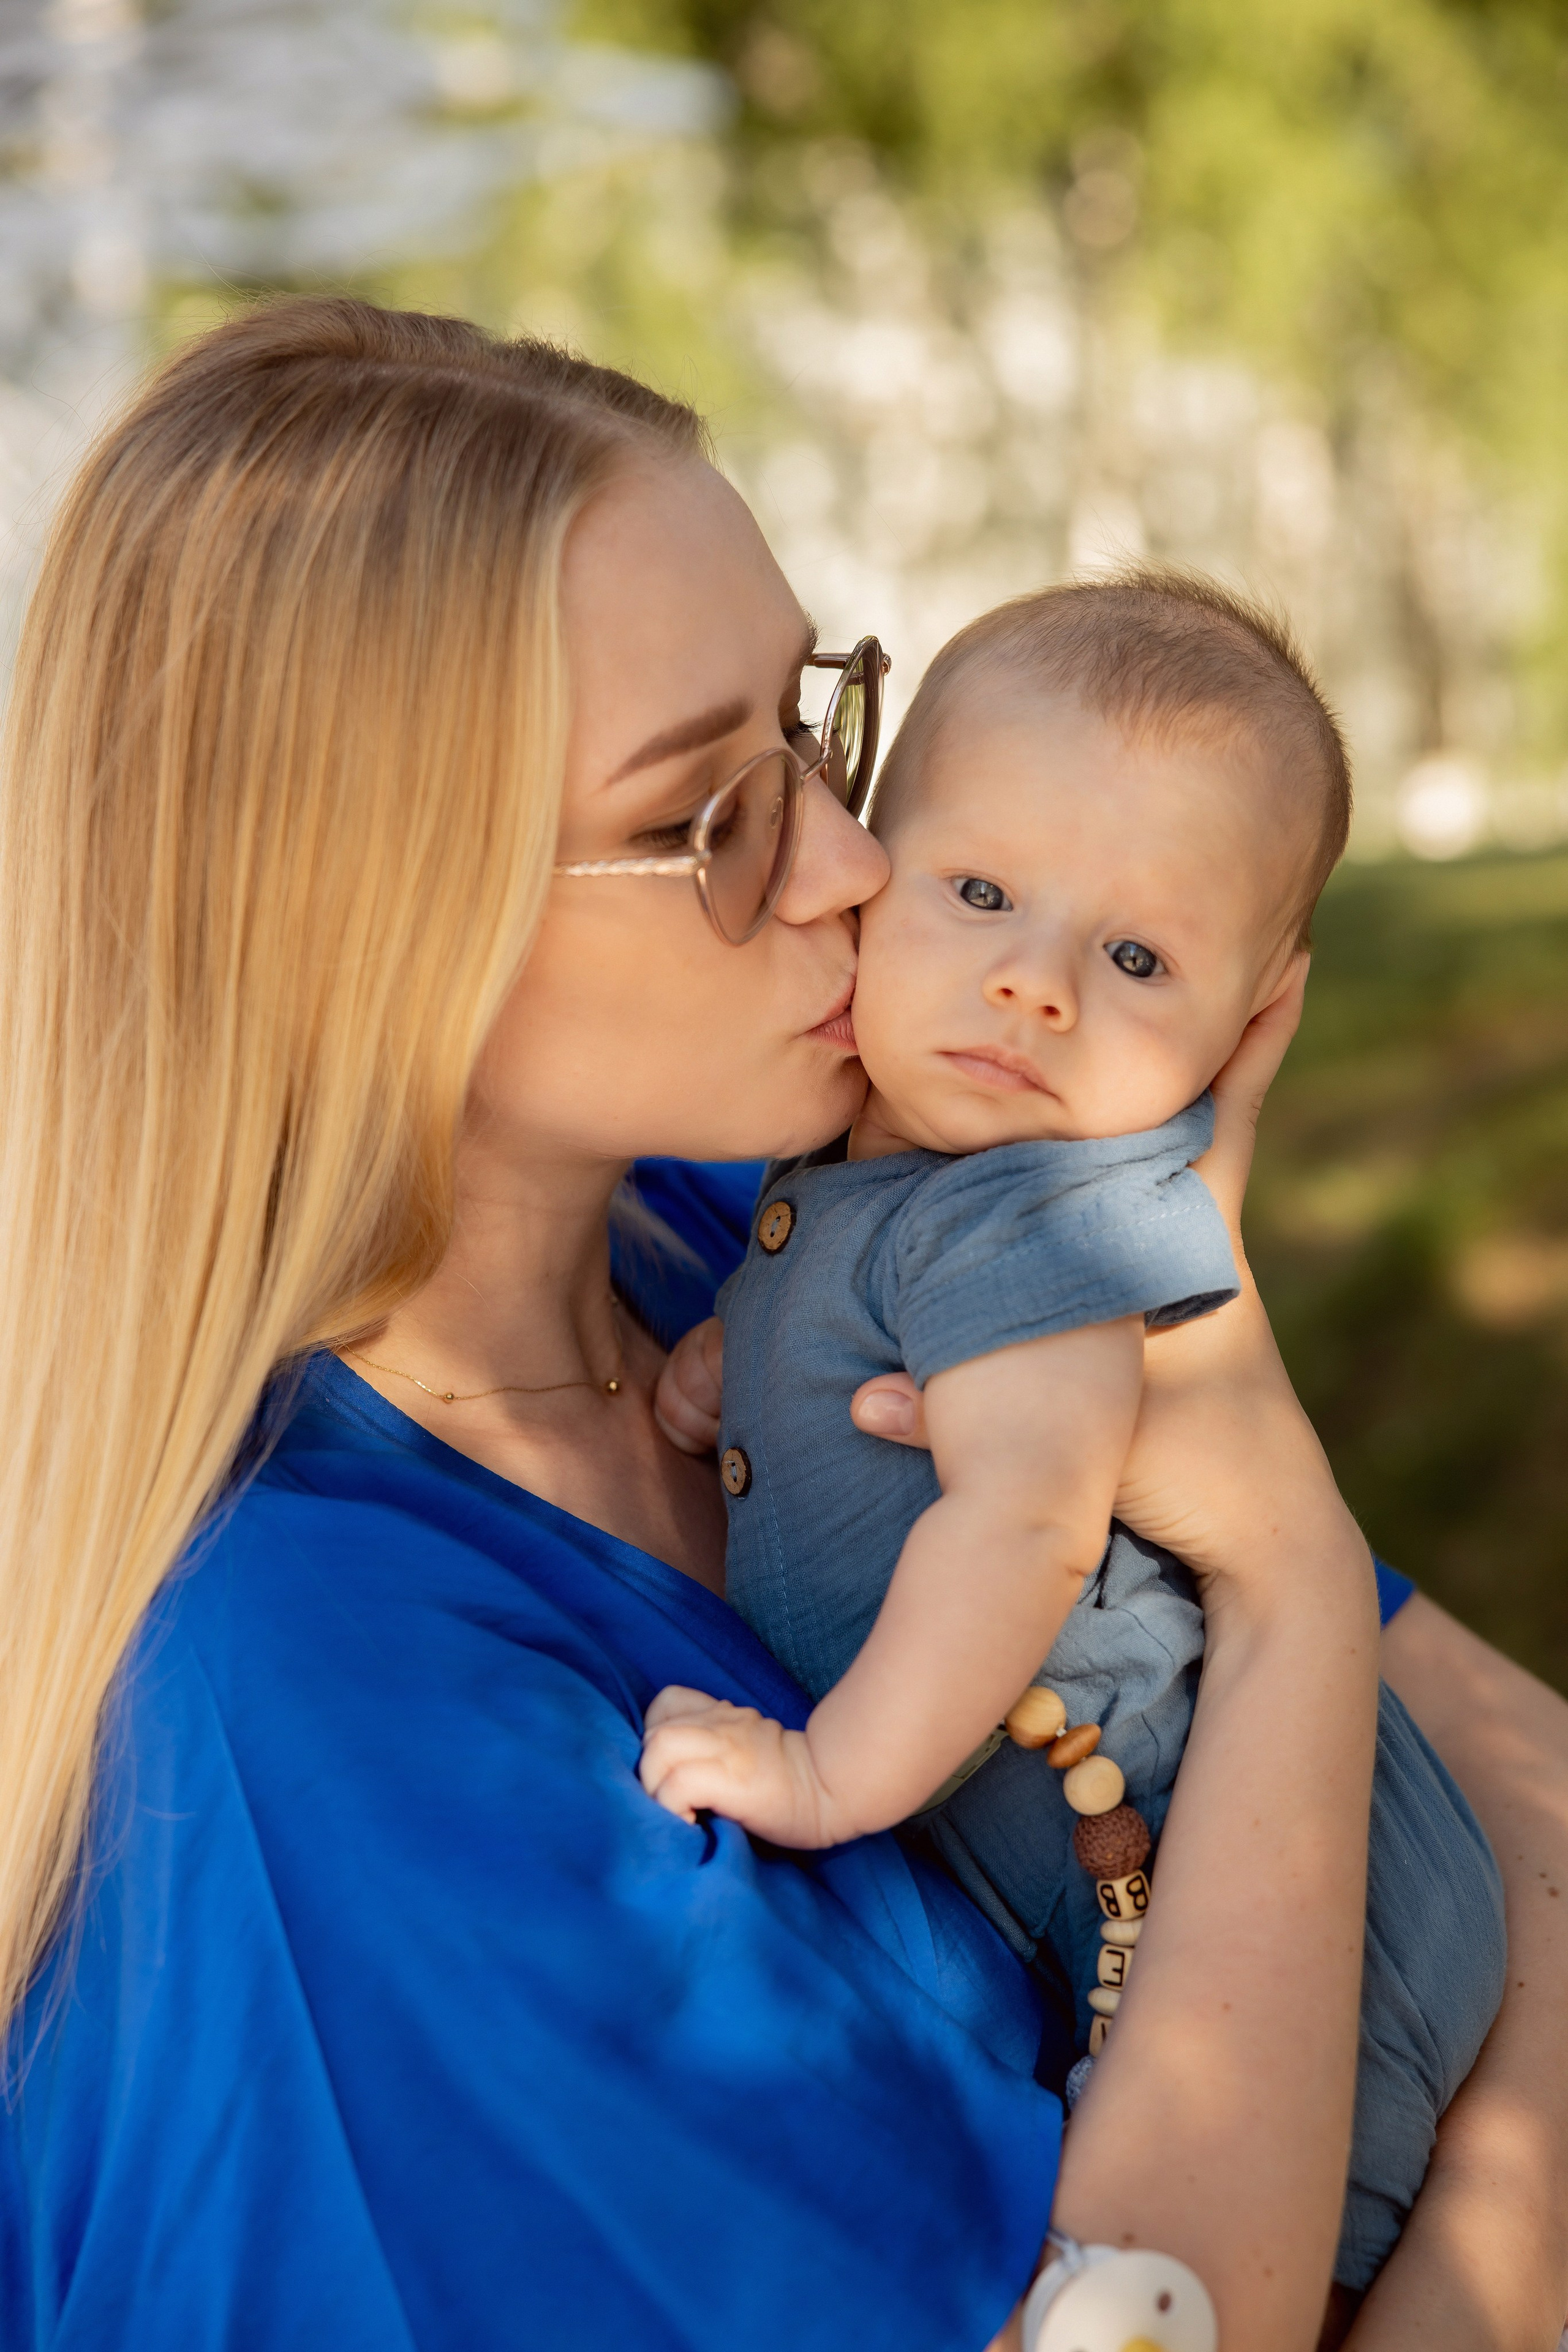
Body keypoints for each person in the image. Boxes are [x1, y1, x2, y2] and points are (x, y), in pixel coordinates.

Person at [0, 296, 1559, 2352]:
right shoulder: (316, 1727)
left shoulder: (747, 1231)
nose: (854, 860)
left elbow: (1522, 1763)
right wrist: (1271, 1570)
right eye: (714, 815)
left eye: (820, 726)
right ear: (371, 921)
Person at [637, 575, 1506, 2299]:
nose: (1035, 988)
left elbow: (1020, 1529)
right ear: (876, 865)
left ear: (1254, 1015)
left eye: (1135, 957)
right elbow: (847, 1310)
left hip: (1316, 1938)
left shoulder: (1044, 1231)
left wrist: (826, 1778)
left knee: (1271, 2271)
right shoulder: (886, 1166)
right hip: (1191, 1860)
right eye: (978, 893)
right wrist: (733, 1356)